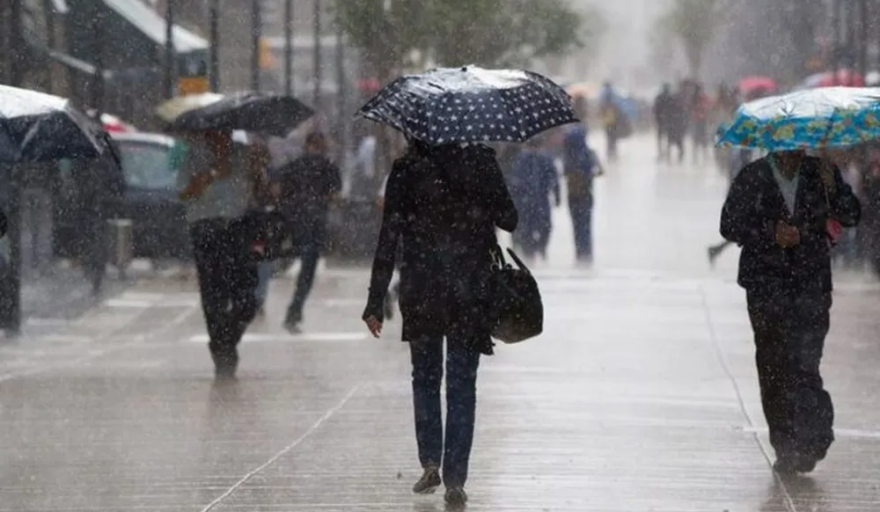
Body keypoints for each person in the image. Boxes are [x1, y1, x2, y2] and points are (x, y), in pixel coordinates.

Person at [361, 140, 517, 507]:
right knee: (462, 383)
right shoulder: (480, 162)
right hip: (470, 290)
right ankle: (455, 477)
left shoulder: (406, 170)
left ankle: (431, 460)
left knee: (426, 377)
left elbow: (389, 237)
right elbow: (509, 219)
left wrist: (375, 299)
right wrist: (484, 195)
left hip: (422, 287)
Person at [720, 149, 860, 474]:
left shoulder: (821, 173)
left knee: (805, 364)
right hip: (766, 287)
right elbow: (729, 225)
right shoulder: (753, 176)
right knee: (773, 366)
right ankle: (785, 444)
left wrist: (833, 190)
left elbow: (851, 214)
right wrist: (771, 233)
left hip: (811, 285)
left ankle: (812, 437)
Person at [177, 129, 259, 379]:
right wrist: (212, 173)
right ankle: (222, 353)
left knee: (247, 299)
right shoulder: (194, 156)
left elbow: (259, 190)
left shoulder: (243, 154)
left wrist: (259, 170)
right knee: (213, 298)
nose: (222, 135)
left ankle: (225, 341)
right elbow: (183, 193)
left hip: (239, 228)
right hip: (206, 229)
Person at [273, 132, 342, 333]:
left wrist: (287, 204)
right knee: (307, 270)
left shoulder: (294, 165)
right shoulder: (328, 166)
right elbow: (335, 195)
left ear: (306, 145)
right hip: (315, 222)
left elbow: (276, 189)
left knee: (296, 256)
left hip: (294, 220)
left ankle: (293, 309)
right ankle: (294, 311)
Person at [508, 136, 559, 259]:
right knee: (528, 227)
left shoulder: (545, 158)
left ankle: (538, 248)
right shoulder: (522, 159)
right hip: (527, 200)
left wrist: (557, 194)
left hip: (539, 199)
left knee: (543, 226)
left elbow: (553, 177)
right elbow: (515, 180)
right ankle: (530, 252)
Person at [563, 101, 601, 263]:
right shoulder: (587, 154)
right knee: (585, 223)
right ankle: (586, 253)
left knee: (576, 223)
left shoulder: (569, 156)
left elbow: (565, 172)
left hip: (573, 193)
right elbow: (599, 171)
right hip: (586, 192)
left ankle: (580, 252)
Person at [653, 84, 675, 161]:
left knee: (661, 138)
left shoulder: (660, 98)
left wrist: (658, 118)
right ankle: (667, 153)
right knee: (667, 138)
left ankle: (662, 153)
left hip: (662, 121)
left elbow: (655, 110)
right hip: (667, 121)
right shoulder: (671, 98)